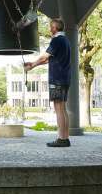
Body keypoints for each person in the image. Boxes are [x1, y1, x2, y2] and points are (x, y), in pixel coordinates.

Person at [24, 18, 72, 147]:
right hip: (65, 78)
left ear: (55, 28)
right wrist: (34, 64)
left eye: (51, 27)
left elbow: (45, 56)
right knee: (63, 109)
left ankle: (61, 139)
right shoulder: (66, 40)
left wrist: (32, 66)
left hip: (56, 78)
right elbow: (49, 60)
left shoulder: (56, 40)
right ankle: (65, 138)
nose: (49, 29)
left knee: (59, 109)